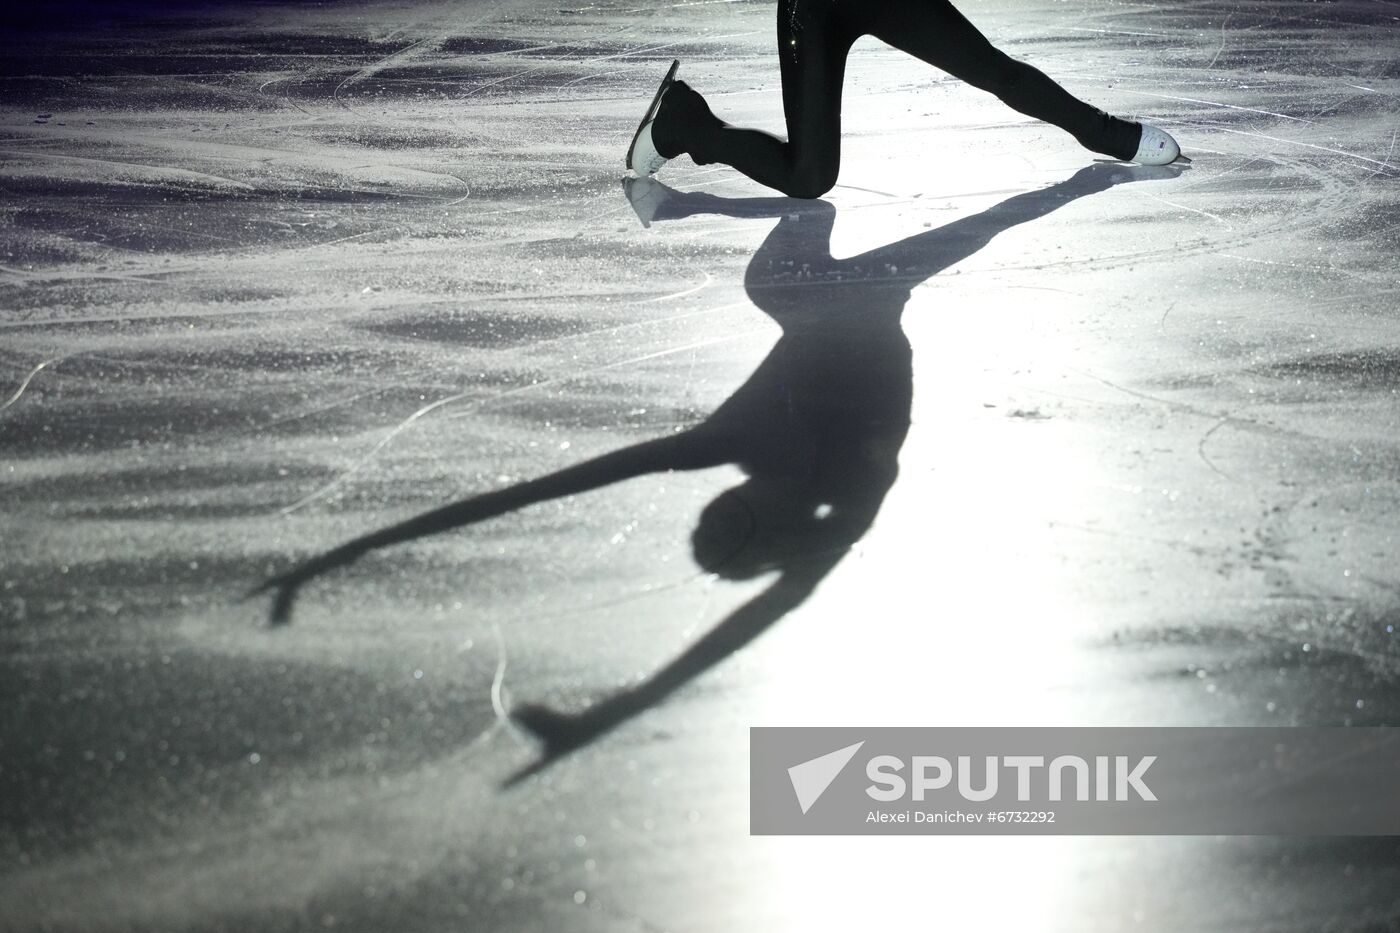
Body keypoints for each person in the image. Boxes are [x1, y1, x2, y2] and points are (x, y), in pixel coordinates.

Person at [625, 0, 1186, 197]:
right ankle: (686, 125)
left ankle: (1108, 133)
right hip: (812, 9)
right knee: (809, 178)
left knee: (993, 69)